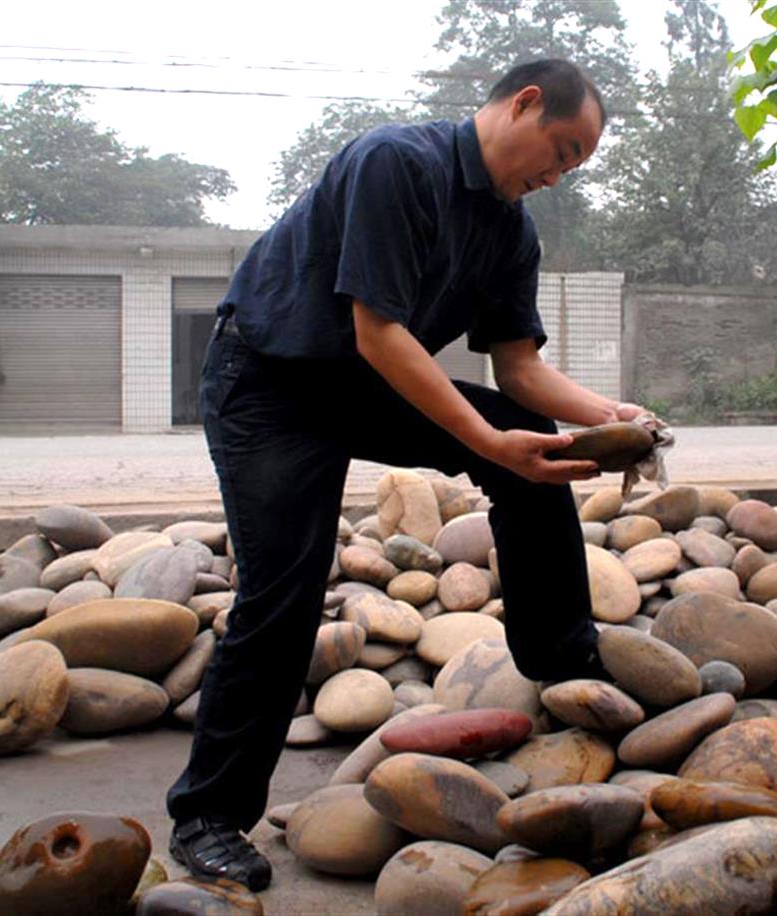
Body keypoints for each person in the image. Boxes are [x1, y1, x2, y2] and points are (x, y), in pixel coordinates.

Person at [166, 58, 643, 890]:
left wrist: (617, 418)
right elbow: (380, 332)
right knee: (284, 588)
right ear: (523, 103)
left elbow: (521, 372)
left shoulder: (511, 231)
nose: (558, 174)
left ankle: (565, 665)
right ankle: (209, 813)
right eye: (562, 149)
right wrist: (488, 448)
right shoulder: (398, 161)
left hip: (365, 382)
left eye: (575, 166)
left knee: (535, 440)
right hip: (270, 382)